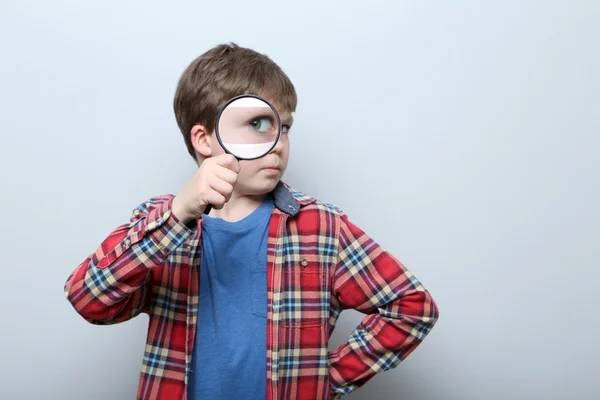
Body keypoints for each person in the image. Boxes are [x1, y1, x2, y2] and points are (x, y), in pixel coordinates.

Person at [64, 42, 439, 400]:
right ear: (204, 139)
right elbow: (88, 299)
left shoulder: (322, 227)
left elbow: (412, 306)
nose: (277, 142)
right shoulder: (158, 224)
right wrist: (176, 214)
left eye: (285, 127)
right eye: (258, 123)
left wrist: (326, 379)